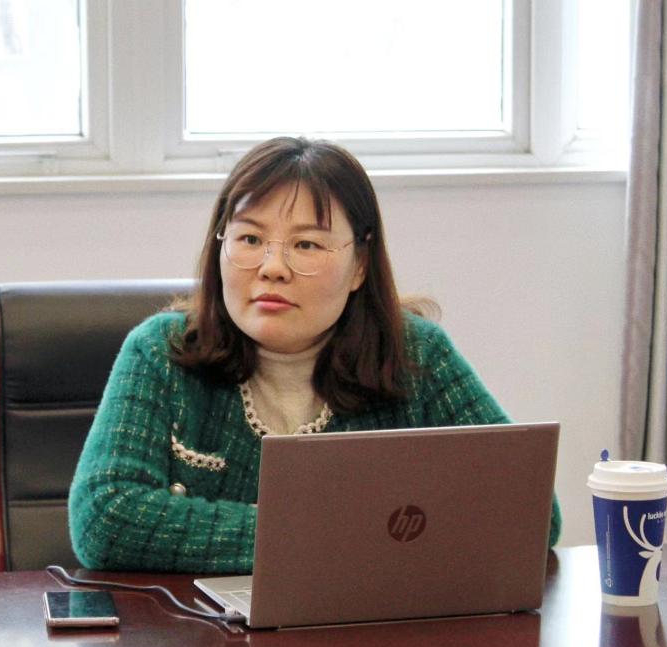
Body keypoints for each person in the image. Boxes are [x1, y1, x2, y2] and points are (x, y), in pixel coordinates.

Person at [68, 136, 561, 572]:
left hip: (368, 630)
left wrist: (309, 537)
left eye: (306, 245)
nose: (272, 267)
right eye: (249, 239)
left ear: (359, 265)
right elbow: (104, 518)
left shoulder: (415, 355)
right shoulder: (163, 351)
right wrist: (342, 533)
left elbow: (533, 512)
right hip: (199, 635)